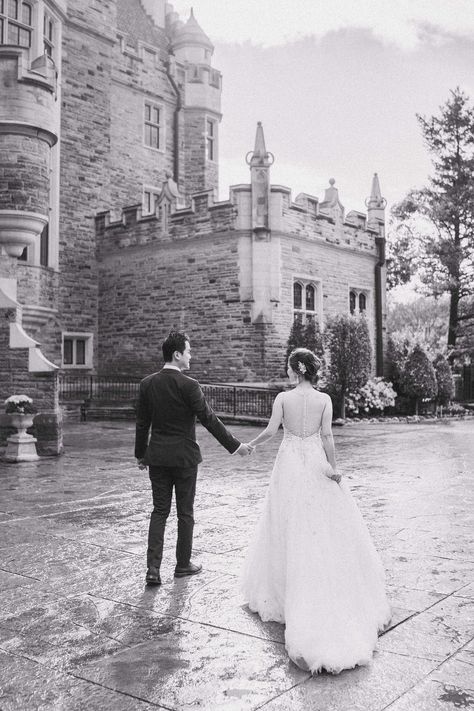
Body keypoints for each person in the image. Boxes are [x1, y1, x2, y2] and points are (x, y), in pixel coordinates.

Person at [241, 347, 391, 674]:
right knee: (319, 523)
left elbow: (271, 431)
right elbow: (327, 437)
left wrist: (251, 445)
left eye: (288, 365)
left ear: (297, 368)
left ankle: (285, 589)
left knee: (284, 520)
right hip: (314, 461)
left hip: (290, 463)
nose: (286, 370)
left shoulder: (283, 399)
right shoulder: (325, 400)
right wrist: (333, 470)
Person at [135, 331, 252, 586]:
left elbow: (142, 423)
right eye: (188, 351)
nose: (191, 356)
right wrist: (235, 446)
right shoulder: (190, 385)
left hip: (157, 458)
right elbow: (209, 419)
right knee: (185, 513)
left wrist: (141, 455)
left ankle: (153, 570)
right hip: (185, 459)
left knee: (159, 511)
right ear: (177, 355)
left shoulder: (147, 384)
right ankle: (182, 565)